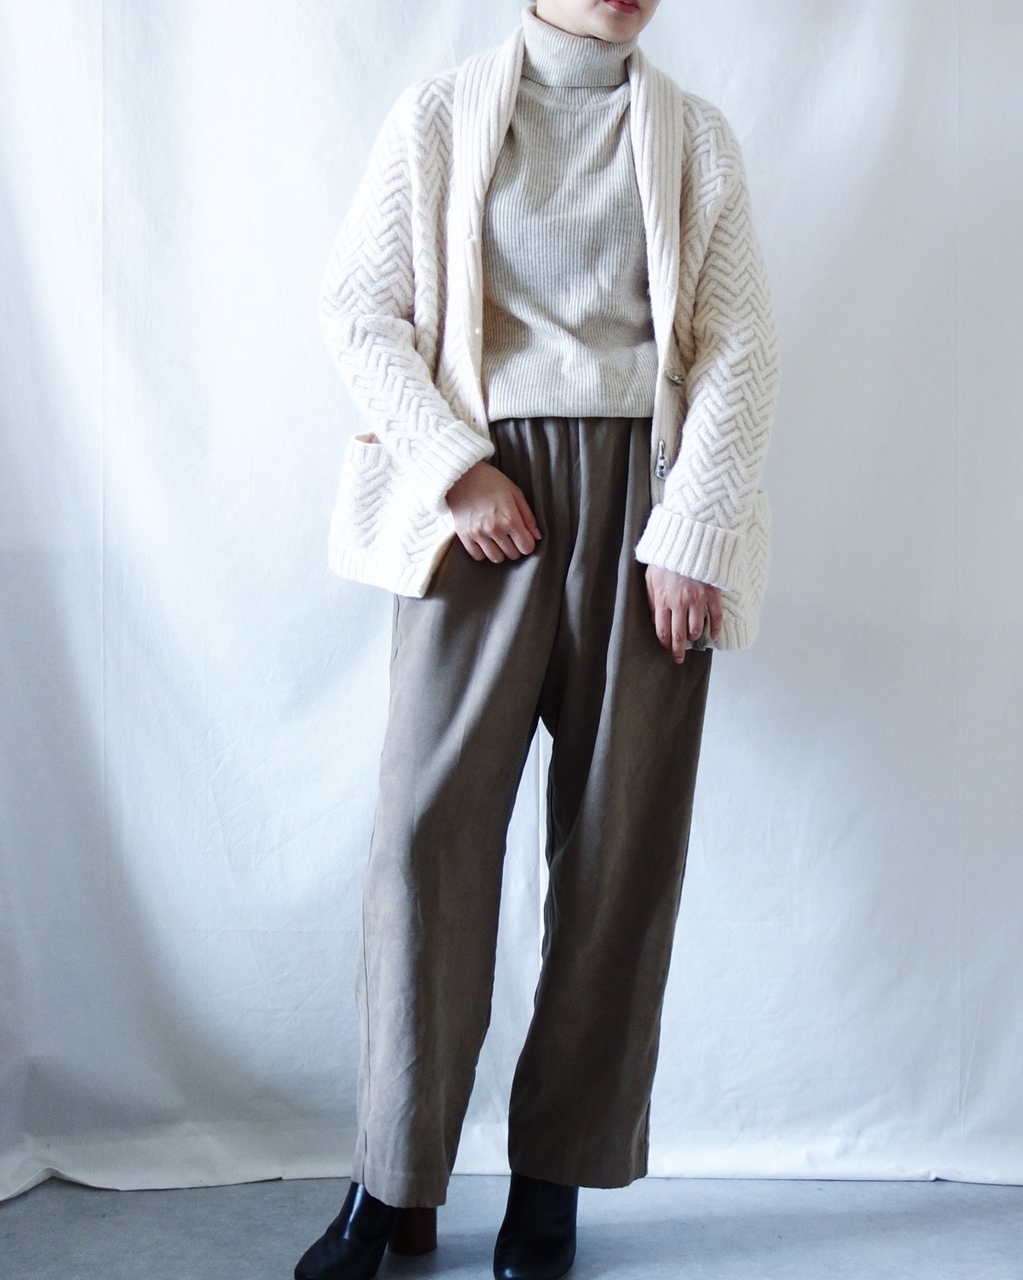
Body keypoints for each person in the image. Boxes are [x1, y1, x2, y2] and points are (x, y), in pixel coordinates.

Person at [296, 0, 778, 1276]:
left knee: (619, 848)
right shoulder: (438, 116)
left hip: (646, 513)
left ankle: (551, 1178)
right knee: (425, 838)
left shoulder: (694, 138)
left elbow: (737, 345)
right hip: (482, 509)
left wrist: (692, 528)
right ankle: (391, 1178)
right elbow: (359, 310)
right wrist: (454, 470)